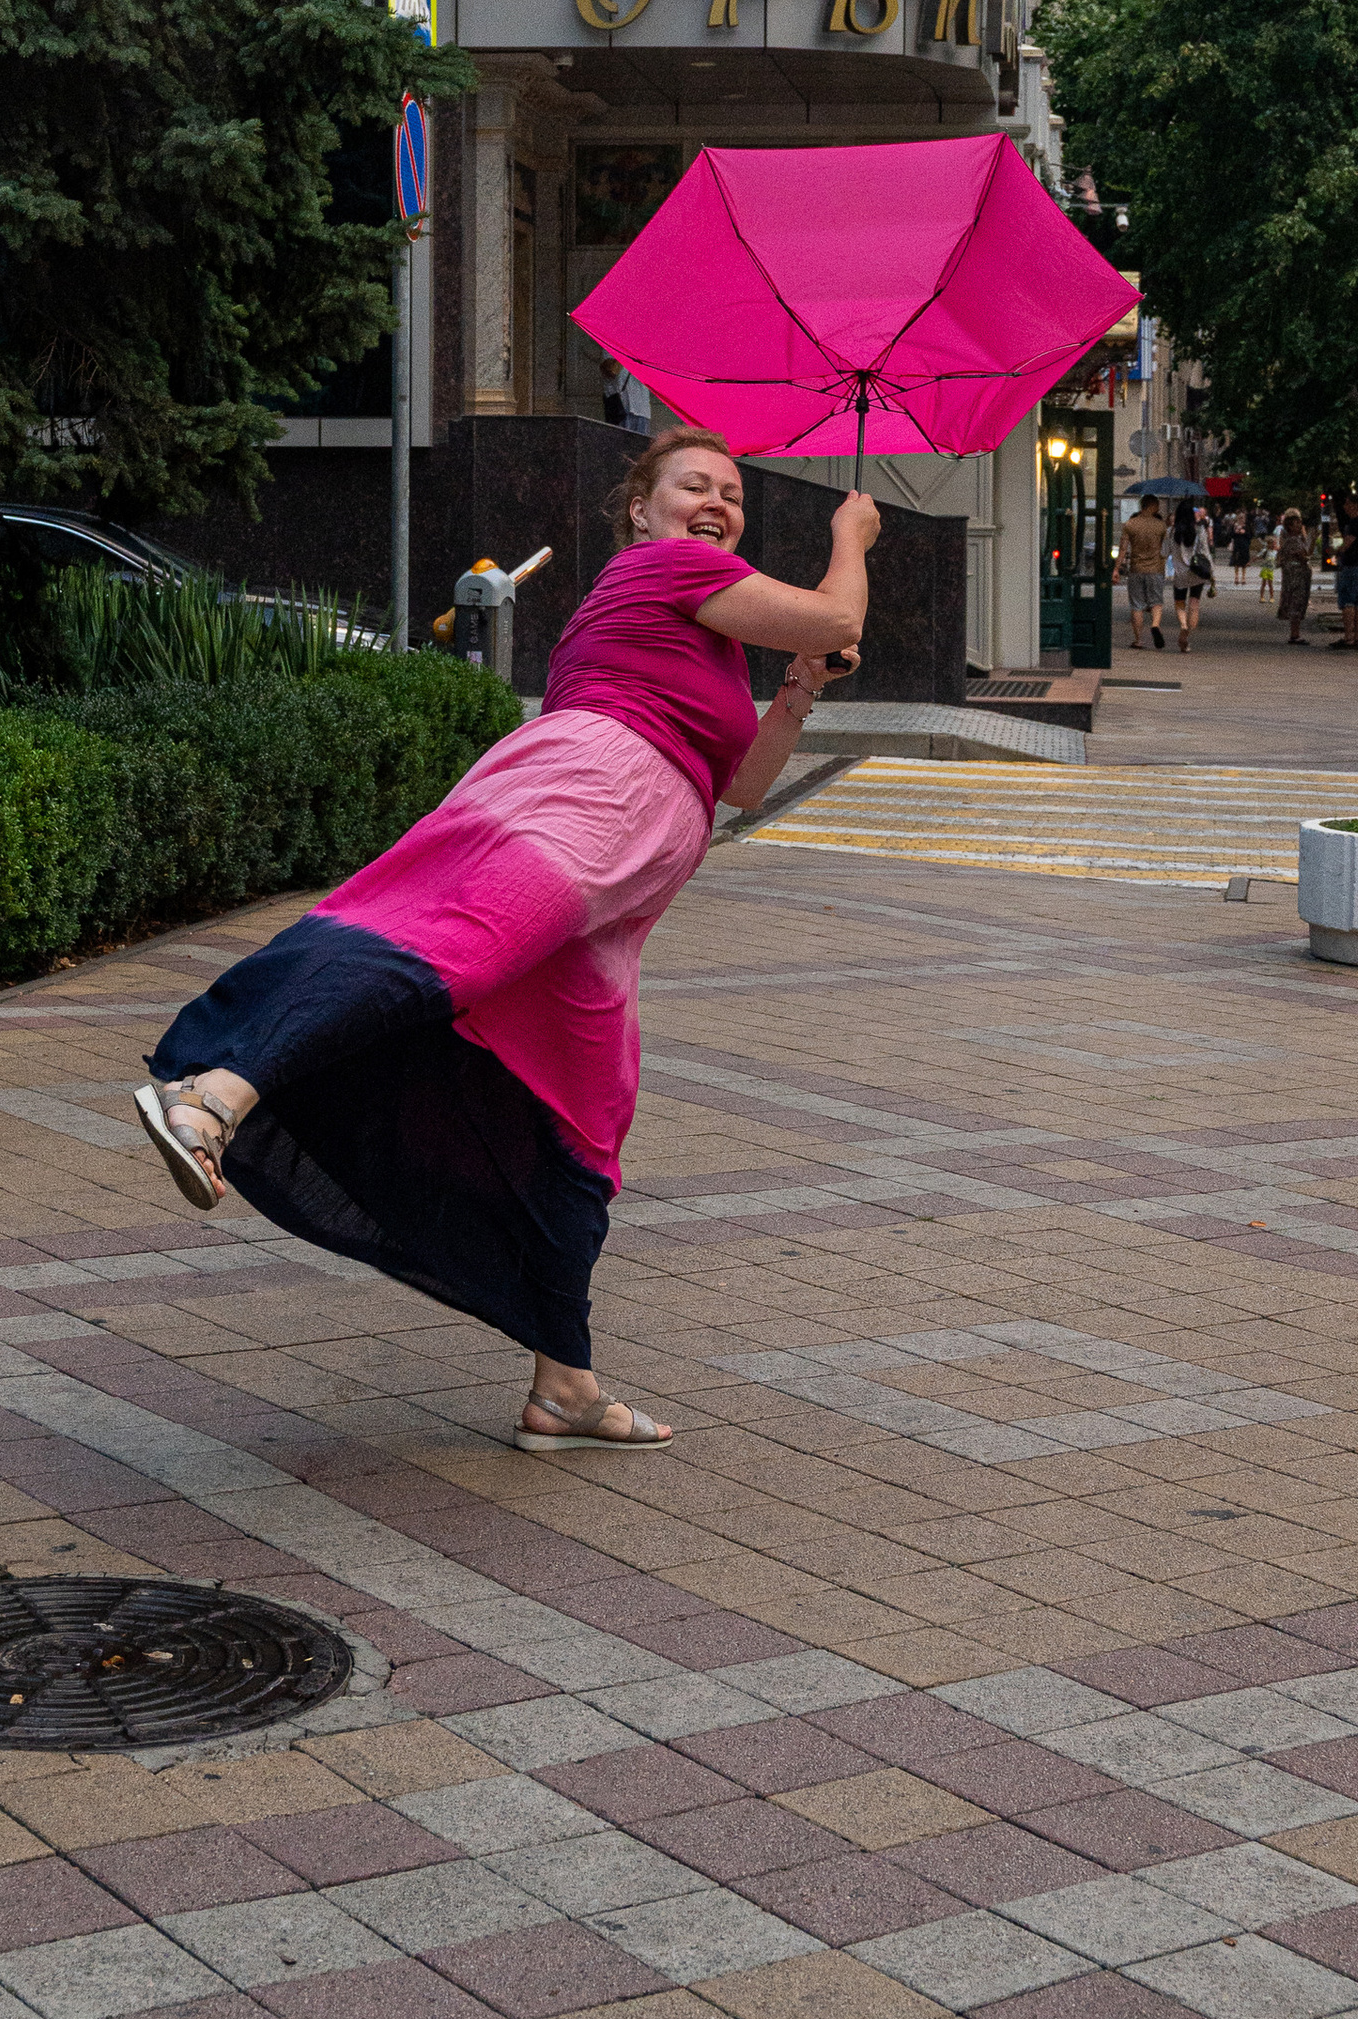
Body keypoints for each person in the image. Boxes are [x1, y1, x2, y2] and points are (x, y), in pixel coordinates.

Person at [133, 431, 876, 1451]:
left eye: (733, 494)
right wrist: (853, 532)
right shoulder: (671, 567)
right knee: (448, 953)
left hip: (624, 881)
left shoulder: (695, 626)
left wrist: (800, 684)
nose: (717, 503)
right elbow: (839, 608)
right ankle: (216, 1090)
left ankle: (563, 1382)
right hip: (587, 802)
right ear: (643, 510)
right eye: (694, 485)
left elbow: (741, 783)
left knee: (584, 1115)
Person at [1119, 489, 1170, 650]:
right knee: (1156, 602)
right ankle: (1155, 625)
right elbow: (1166, 550)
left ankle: (1138, 639)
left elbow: (1122, 549)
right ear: (1153, 506)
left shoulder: (1130, 524)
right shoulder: (1161, 526)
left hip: (1136, 569)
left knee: (1137, 605)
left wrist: (1116, 568)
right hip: (1155, 569)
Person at [1168, 498, 1214, 653]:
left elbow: (1163, 553)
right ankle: (1186, 636)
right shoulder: (1199, 530)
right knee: (1194, 604)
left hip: (1180, 574)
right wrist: (1212, 574)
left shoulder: (1171, 532)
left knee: (1180, 603)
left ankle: (1183, 624)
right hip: (1197, 572)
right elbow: (1205, 553)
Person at [1331, 507, 1358, 648]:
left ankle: (1348, 637)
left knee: (1348, 601)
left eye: (1348, 503)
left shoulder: (1355, 523)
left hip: (1352, 565)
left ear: (1355, 505)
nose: (1345, 506)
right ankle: (1357, 636)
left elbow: (1348, 542)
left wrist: (1337, 551)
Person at [1274, 505, 1314, 642]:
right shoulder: (1293, 540)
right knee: (1297, 603)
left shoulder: (1291, 539)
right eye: (1297, 523)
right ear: (1290, 526)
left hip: (1294, 576)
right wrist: (1311, 539)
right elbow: (1305, 555)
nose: (1299, 525)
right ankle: (1295, 634)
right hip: (1296, 577)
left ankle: (1295, 633)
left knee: (1295, 603)